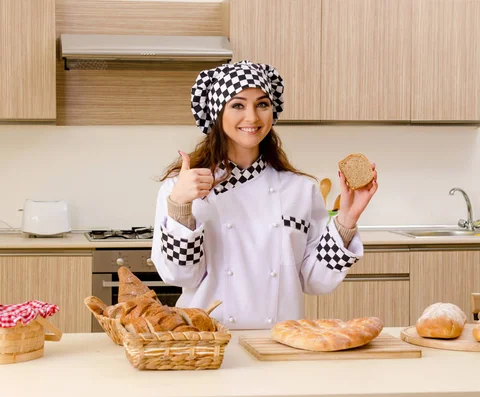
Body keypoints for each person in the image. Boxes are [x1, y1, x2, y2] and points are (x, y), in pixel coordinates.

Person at [150, 60, 378, 330]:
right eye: (237, 105)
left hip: (281, 341)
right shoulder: (182, 189)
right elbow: (179, 276)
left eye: (262, 104)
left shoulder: (299, 189)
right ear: (217, 112)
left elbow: (315, 280)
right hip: (207, 342)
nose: (252, 117)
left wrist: (346, 221)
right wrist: (180, 207)